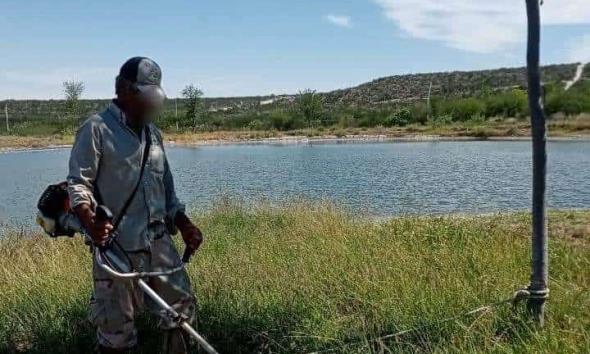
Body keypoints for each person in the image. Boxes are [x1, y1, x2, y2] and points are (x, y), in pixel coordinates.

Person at [67, 57, 203, 354]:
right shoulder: (96, 128)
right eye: (144, 98)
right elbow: (78, 184)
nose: (150, 106)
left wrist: (184, 223)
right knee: (117, 331)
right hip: (118, 249)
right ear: (124, 90)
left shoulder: (154, 135)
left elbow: (166, 189)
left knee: (180, 313)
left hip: (159, 245)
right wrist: (92, 223)